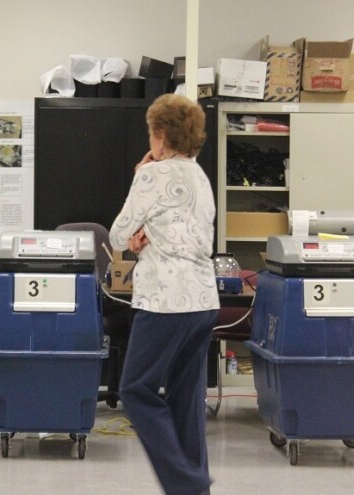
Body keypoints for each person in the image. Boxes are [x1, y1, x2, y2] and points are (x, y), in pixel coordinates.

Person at [109, 93, 219, 495]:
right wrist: (145, 240)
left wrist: (141, 174)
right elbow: (182, 233)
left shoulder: (151, 175)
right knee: (186, 399)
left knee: (135, 389)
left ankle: (186, 482)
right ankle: (195, 489)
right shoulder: (199, 176)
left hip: (166, 301)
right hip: (204, 300)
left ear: (159, 134)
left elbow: (120, 232)